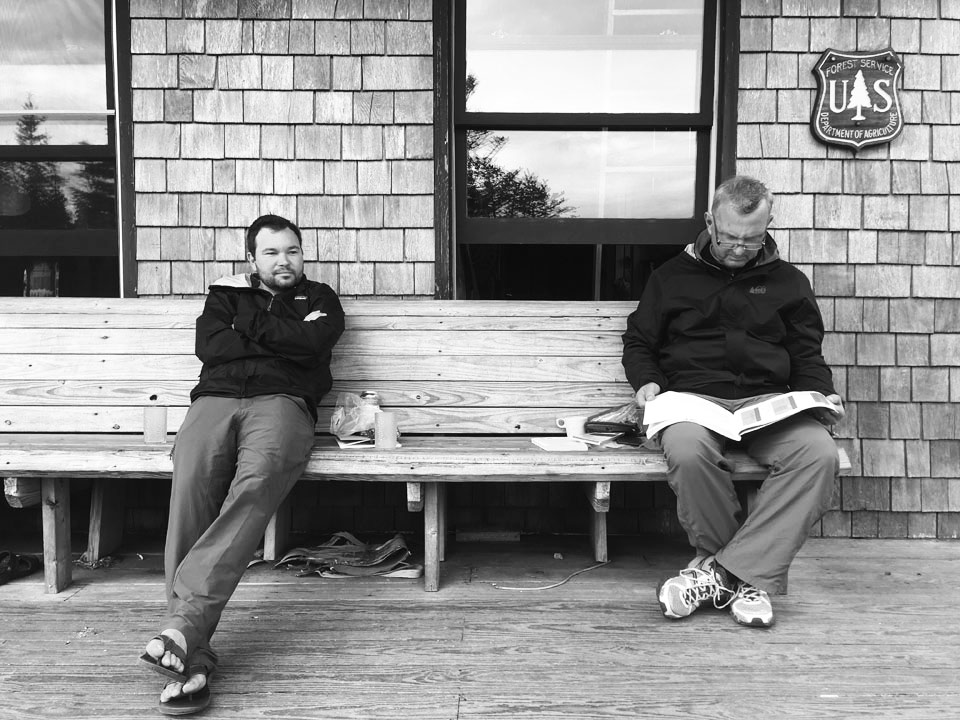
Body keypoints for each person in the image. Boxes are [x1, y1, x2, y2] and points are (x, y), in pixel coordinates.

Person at [138, 214, 345, 714]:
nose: (284, 261)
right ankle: (190, 654)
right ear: (252, 258)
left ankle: (183, 635)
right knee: (190, 484)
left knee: (256, 483)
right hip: (215, 400)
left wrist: (252, 323)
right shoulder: (222, 296)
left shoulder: (320, 299)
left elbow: (313, 345)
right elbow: (210, 346)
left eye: (292, 251)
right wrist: (282, 333)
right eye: (272, 252)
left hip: (283, 403)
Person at [621, 175, 845, 629]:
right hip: (692, 400)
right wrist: (647, 383)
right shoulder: (671, 277)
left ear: (768, 226)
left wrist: (822, 393)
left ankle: (719, 573)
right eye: (729, 239)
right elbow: (640, 342)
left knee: (819, 454)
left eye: (752, 239)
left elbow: (805, 352)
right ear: (710, 222)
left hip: (767, 403)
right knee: (686, 449)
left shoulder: (789, 282)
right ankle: (748, 577)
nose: (739, 249)